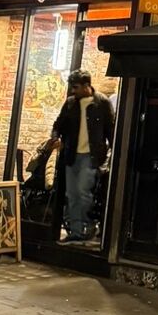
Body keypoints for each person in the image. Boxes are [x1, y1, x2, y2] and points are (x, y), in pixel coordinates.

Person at [51, 71, 114, 243]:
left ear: (87, 86)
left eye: (76, 87)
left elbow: (111, 131)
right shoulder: (70, 103)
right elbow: (58, 124)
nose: (73, 91)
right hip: (72, 155)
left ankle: (90, 223)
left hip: (91, 156)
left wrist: (110, 159)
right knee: (72, 194)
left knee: (82, 191)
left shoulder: (102, 103)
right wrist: (55, 137)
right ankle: (76, 232)